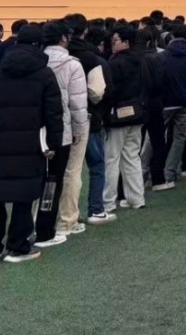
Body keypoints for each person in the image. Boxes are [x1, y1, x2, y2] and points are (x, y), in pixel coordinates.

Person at [0, 24, 63, 263]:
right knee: (24, 196)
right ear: (39, 46)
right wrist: (53, 144)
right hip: (29, 143)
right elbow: (53, 114)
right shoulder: (45, 74)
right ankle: (18, 246)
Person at [38, 20, 88, 245]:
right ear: (64, 38)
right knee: (62, 176)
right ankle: (63, 222)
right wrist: (79, 129)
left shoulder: (37, 61)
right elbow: (78, 104)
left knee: (39, 176)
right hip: (63, 129)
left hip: (37, 129)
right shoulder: (72, 65)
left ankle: (32, 223)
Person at [65, 16, 114, 225]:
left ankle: (63, 215)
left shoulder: (54, 54)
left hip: (60, 119)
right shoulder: (92, 58)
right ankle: (95, 209)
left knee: (65, 169)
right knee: (95, 165)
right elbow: (98, 92)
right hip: (89, 119)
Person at [105, 25, 149, 212]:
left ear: (126, 42)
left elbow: (110, 91)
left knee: (112, 158)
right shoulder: (141, 60)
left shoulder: (114, 63)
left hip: (118, 115)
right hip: (137, 113)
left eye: (115, 40)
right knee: (132, 156)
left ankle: (108, 202)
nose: (112, 43)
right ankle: (136, 198)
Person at [156, 24, 186, 189]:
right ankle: (170, 172)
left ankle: (146, 172)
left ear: (172, 36)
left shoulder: (162, 55)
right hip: (184, 102)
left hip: (164, 102)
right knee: (179, 138)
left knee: (154, 138)